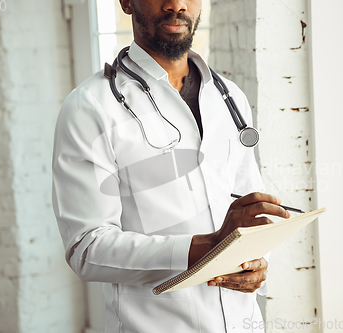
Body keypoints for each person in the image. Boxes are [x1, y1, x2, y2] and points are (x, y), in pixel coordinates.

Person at [52, 0, 290, 331]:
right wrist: (207, 246)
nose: (176, 4)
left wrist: (256, 266)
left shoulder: (229, 98)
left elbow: (249, 216)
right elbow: (87, 248)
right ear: (126, 2)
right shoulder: (91, 107)